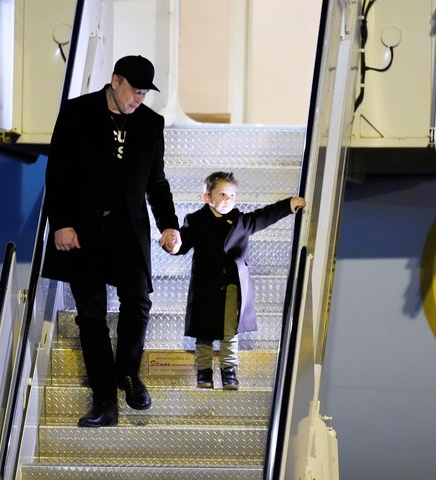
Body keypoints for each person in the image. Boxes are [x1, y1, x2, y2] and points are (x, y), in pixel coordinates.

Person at [42, 55, 182, 428]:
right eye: (134, 91)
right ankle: (105, 401)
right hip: (83, 230)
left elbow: (157, 182)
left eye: (144, 93)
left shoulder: (151, 123)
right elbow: (57, 173)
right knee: (92, 314)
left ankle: (129, 374)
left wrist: (169, 225)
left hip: (127, 229)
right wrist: (62, 224)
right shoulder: (77, 112)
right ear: (115, 80)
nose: (138, 99)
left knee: (138, 299)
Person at [175, 171, 305, 390]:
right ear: (208, 197)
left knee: (229, 330)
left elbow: (265, 215)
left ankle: (229, 370)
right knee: (203, 332)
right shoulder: (195, 220)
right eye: (222, 194)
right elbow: (182, 243)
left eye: (232, 195)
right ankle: (204, 372)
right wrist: (173, 243)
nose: (228, 200)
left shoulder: (241, 221)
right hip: (205, 287)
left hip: (232, 287)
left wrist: (287, 205)